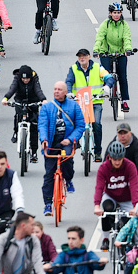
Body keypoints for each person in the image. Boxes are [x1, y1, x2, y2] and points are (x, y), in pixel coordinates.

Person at [39, 82, 85, 216]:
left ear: (65, 92)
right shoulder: (47, 107)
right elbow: (42, 125)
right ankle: (48, 204)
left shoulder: (74, 106)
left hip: (66, 142)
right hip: (52, 143)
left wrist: (70, 140)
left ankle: (68, 179)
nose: (56, 91)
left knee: (67, 161)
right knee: (49, 174)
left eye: (59, 89)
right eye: (55, 89)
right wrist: (44, 140)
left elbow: (80, 126)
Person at [66, 48, 114, 162]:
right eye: (79, 56)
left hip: (95, 101)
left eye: (84, 56)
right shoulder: (73, 69)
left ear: (89, 57)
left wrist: (107, 86)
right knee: (73, 121)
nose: (81, 58)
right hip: (80, 101)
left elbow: (109, 77)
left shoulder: (98, 67)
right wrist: (68, 92)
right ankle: (76, 142)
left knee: (96, 124)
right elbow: (69, 81)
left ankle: (98, 151)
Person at [93, 141, 138, 249]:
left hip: (126, 198)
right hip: (111, 196)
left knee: (126, 223)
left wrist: (135, 206)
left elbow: (134, 187)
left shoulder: (130, 166)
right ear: (110, 158)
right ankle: (105, 238)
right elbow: (99, 187)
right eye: (115, 160)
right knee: (106, 210)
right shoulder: (103, 168)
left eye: (120, 159)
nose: (117, 163)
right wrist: (96, 206)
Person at [94, 3, 133, 116]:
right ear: (110, 13)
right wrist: (97, 50)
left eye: (118, 13)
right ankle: (104, 93)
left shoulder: (124, 25)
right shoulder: (105, 24)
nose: (116, 15)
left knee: (123, 76)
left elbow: (127, 38)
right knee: (106, 75)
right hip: (106, 53)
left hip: (121, 53)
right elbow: (99, 38)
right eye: (114, 13)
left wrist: (128, 49)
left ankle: (124, 101)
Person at [2, 66, 46, 162]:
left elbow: (38, 90)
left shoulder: (34, 79)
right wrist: (6, 98)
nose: (25, 80)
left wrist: (43, 99)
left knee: (34, 127)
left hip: (33, 101)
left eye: (27, 78)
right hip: (20, 100)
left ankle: (34, 152)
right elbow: (12, 89)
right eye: (23, 78)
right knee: (18, 115)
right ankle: (16, 132)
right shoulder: (17, 78)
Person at [109, 123, 138, 192]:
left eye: (125, 133)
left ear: (130, 133)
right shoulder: (113, 145)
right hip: (116, 175)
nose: (122, 136)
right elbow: (105, 164)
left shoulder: (137, 145)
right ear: (117, 134)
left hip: (132, 174)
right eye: (120, 133)